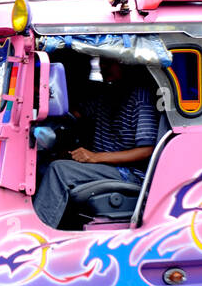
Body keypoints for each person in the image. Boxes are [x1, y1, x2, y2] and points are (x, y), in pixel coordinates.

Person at [32, 57, 159, 229]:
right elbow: (74, 115)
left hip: (129, 174)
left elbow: (147, 150)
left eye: (109, 62)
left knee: (59, 170)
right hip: (104, 168)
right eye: (101, 61)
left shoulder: (141, 97)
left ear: (127, 64)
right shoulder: (106, 94)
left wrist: (95, 157)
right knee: (45, 165)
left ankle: (38, 232)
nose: (102, 67)